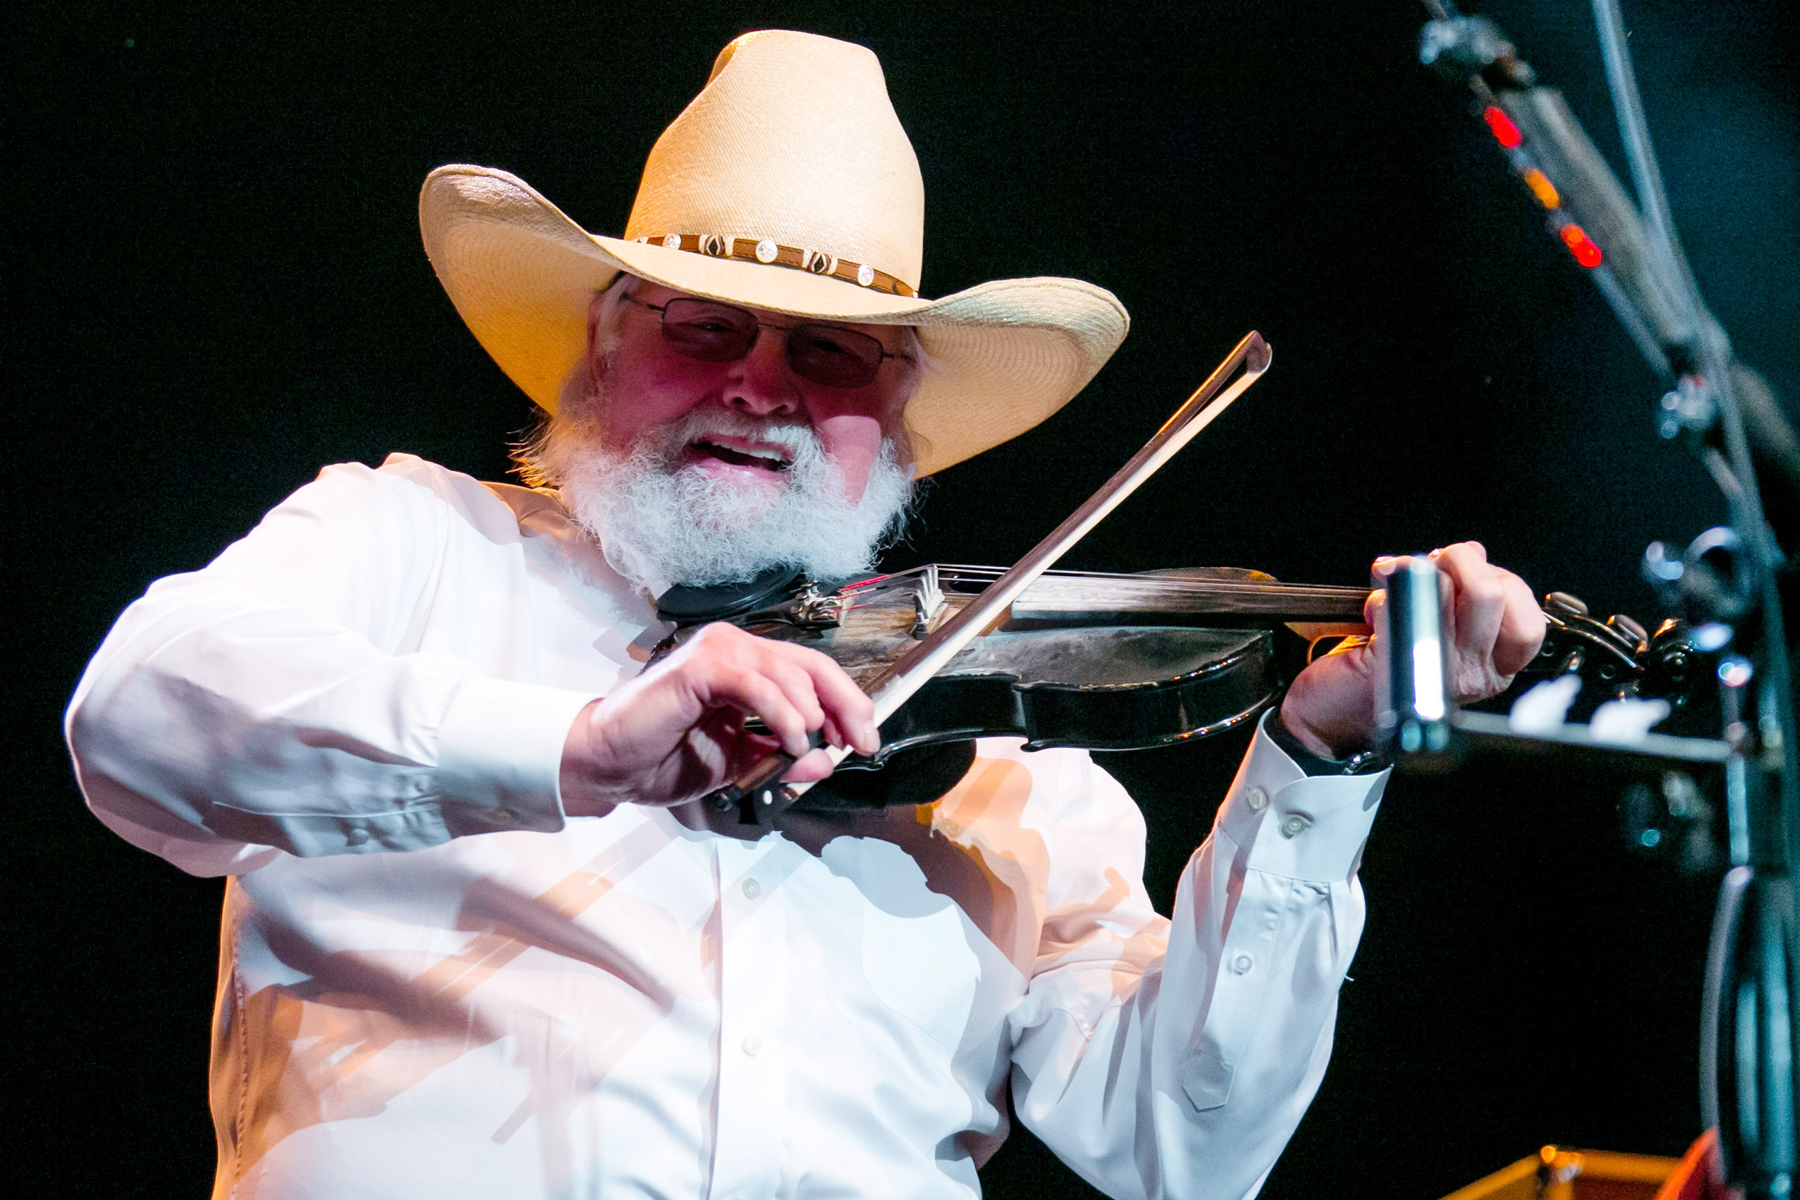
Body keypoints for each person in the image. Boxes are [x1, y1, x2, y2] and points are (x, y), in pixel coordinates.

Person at [66, 30, 1545, 1200]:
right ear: (596, 348)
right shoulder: (409, 540)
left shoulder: (1009, 750)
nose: (760, 387)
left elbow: (1181, 1155)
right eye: (704, 328)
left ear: (901, 412)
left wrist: (1320, 763)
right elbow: (138, 721)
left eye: (831, 356)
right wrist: (578, 750)